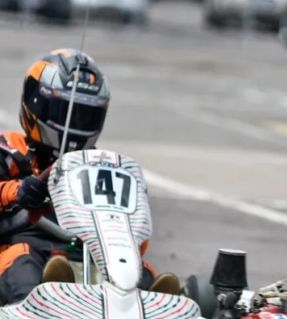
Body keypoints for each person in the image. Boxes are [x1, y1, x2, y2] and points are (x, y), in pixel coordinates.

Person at [0, 48, 179, 304]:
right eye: (65, 114)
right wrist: (18, 191)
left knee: (137, 273)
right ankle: (48, 297)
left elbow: (136, 241)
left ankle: (156, 306)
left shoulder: (100, 168)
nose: (74, 125)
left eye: (84, 116)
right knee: (24, 261)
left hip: (91, 252)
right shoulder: (8, 149)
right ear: (36, 105)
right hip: (22, 245)